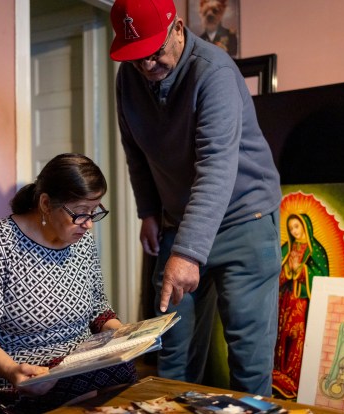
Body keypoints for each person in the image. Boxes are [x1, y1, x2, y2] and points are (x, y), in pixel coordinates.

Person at [109, 0, 282, 396]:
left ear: (178, 28)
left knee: (247, 357)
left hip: (244, 219)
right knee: (173, 347)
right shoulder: (129, 78)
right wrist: (149, 212)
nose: (147, 66)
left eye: (154, 52)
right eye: (136, 58)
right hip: (179, 220)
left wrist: (186, 253)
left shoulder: (215, 73)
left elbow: (216, 168)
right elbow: (135, 150)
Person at [0, 153, 137, 413]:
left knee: (123, 370)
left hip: (76, 355)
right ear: (46, 204)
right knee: (81, 387)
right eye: (81, 213)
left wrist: (127, 335)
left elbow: (98, 309)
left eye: (94, 212)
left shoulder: (81, 241)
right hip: (15, 359)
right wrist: (13, 371)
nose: (89, 225)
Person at [273, 213, 329, 398]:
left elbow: (321, 274)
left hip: (301, 301)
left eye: (297, 227)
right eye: (291, 229)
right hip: (284, 299)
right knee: (281, 335)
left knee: (295, 335)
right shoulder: (285, 248)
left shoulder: (316, 250)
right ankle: (279, 375)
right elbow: (277, 272)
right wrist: (288, 271)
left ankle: (293, 380)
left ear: (305, 226)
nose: (294, 231)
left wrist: (301, 271)